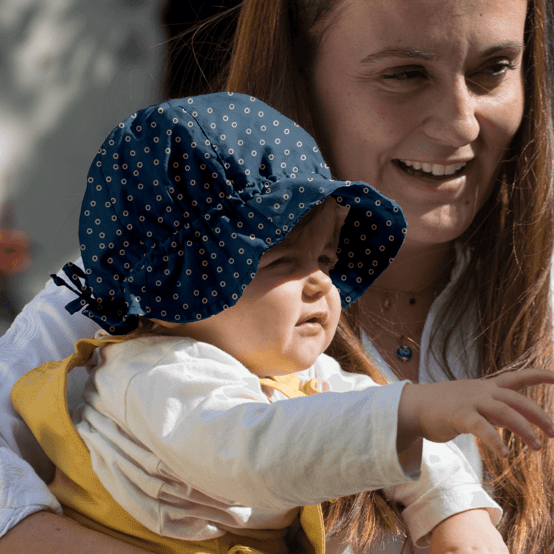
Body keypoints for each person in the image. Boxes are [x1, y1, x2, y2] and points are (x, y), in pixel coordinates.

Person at [1, 0, 553, 553]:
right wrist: (414, 411)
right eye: (404, 73)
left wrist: (458, 514)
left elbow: (368, 419)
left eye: (494, 68)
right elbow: (260, 445)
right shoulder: (144, 353)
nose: (459, 121)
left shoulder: (306, 366)